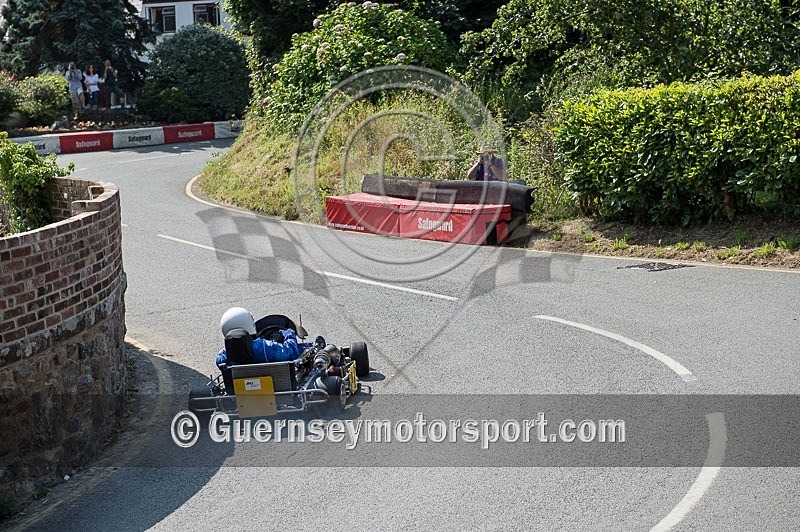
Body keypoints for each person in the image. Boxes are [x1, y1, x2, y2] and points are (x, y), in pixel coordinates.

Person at [214, 307, 314, 367]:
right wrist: (289, 334)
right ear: (248, 323)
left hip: (240, 394)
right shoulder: (262, 347)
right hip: (278, 389)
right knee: (309, 350)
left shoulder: (222, 357)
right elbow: (290, 352)